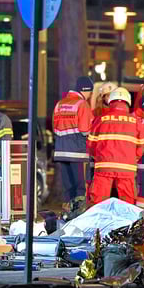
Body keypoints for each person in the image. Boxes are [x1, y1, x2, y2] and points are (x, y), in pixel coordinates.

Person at [87, 88, 144, 206]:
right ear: (128, 102)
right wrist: (133, 158)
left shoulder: (101, 119)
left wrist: (98, 157)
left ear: (111, 102)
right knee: (127, 202)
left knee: (98, 202)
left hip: (104, 166)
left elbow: (91, 144)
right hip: (126, 167)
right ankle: (127, 223)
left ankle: (98, 224)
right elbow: (143, 145)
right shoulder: (135, 121)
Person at [52, 77, 96, 213]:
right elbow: (85, 130)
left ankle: (67, 213)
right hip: (77, 152)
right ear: (86, 90)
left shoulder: (60, 103)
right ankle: (79, 213)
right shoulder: (82, 104)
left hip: (61, 152)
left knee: (68, 186)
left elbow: (54, 127)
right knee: (80, 186)